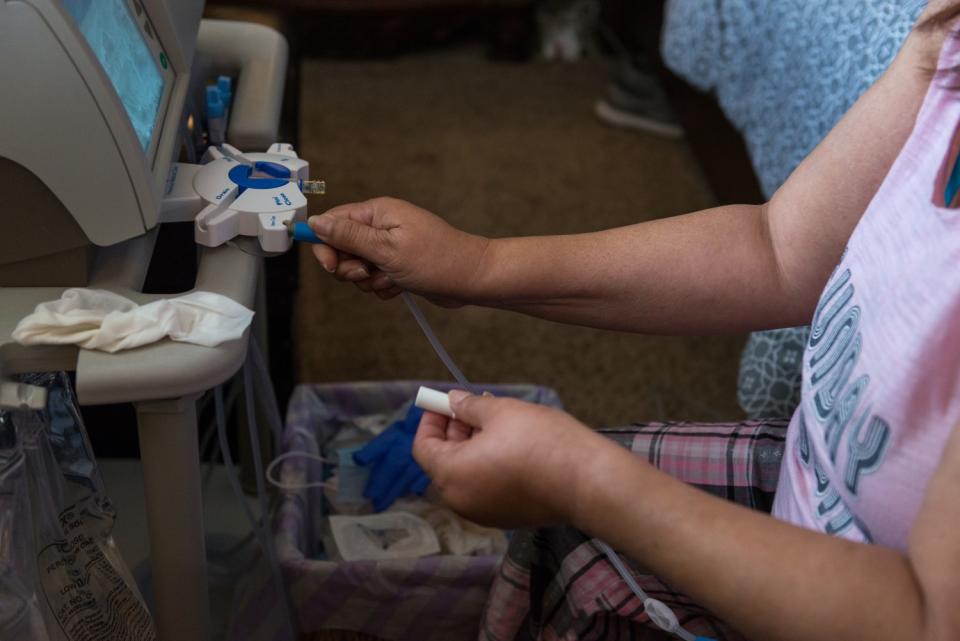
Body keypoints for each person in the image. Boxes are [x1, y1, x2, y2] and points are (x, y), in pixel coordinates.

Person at [305, 3, 960, 639]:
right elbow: (778, 249)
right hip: (802, 491)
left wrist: (580, 478)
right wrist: (475, 266)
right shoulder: (945, 49)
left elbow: (925, 620)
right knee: (559, 543)